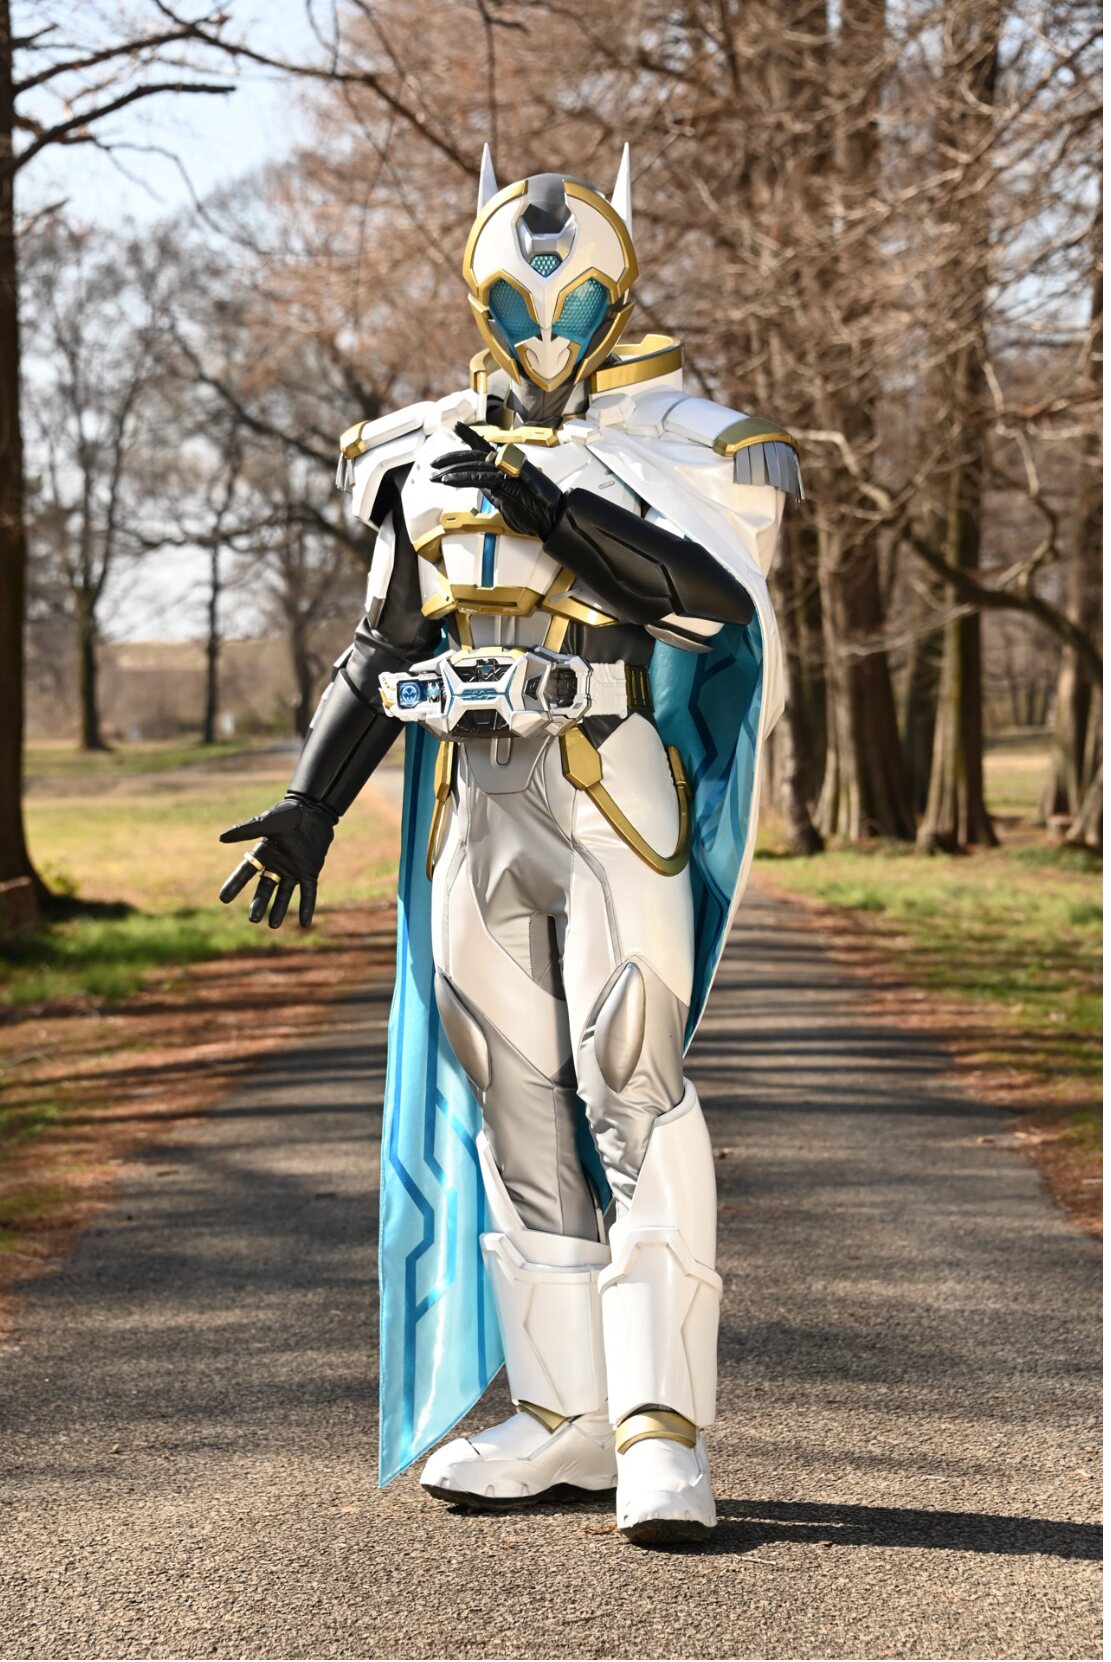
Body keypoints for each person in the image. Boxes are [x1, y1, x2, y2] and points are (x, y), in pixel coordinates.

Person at [219, 147, 801, 1544]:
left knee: (632, 1079)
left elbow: (709, 604)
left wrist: (555, 514)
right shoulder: (415, 455)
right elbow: (381, 646)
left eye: (576, 298)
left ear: (617, 295)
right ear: (482, 298)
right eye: (523, 300)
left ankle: (661, 1432)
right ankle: (562, 1413)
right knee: (515, 1101)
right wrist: (312, 800)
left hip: (609, 782)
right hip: (473, 805)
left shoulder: (691, 444)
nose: (548, 326)